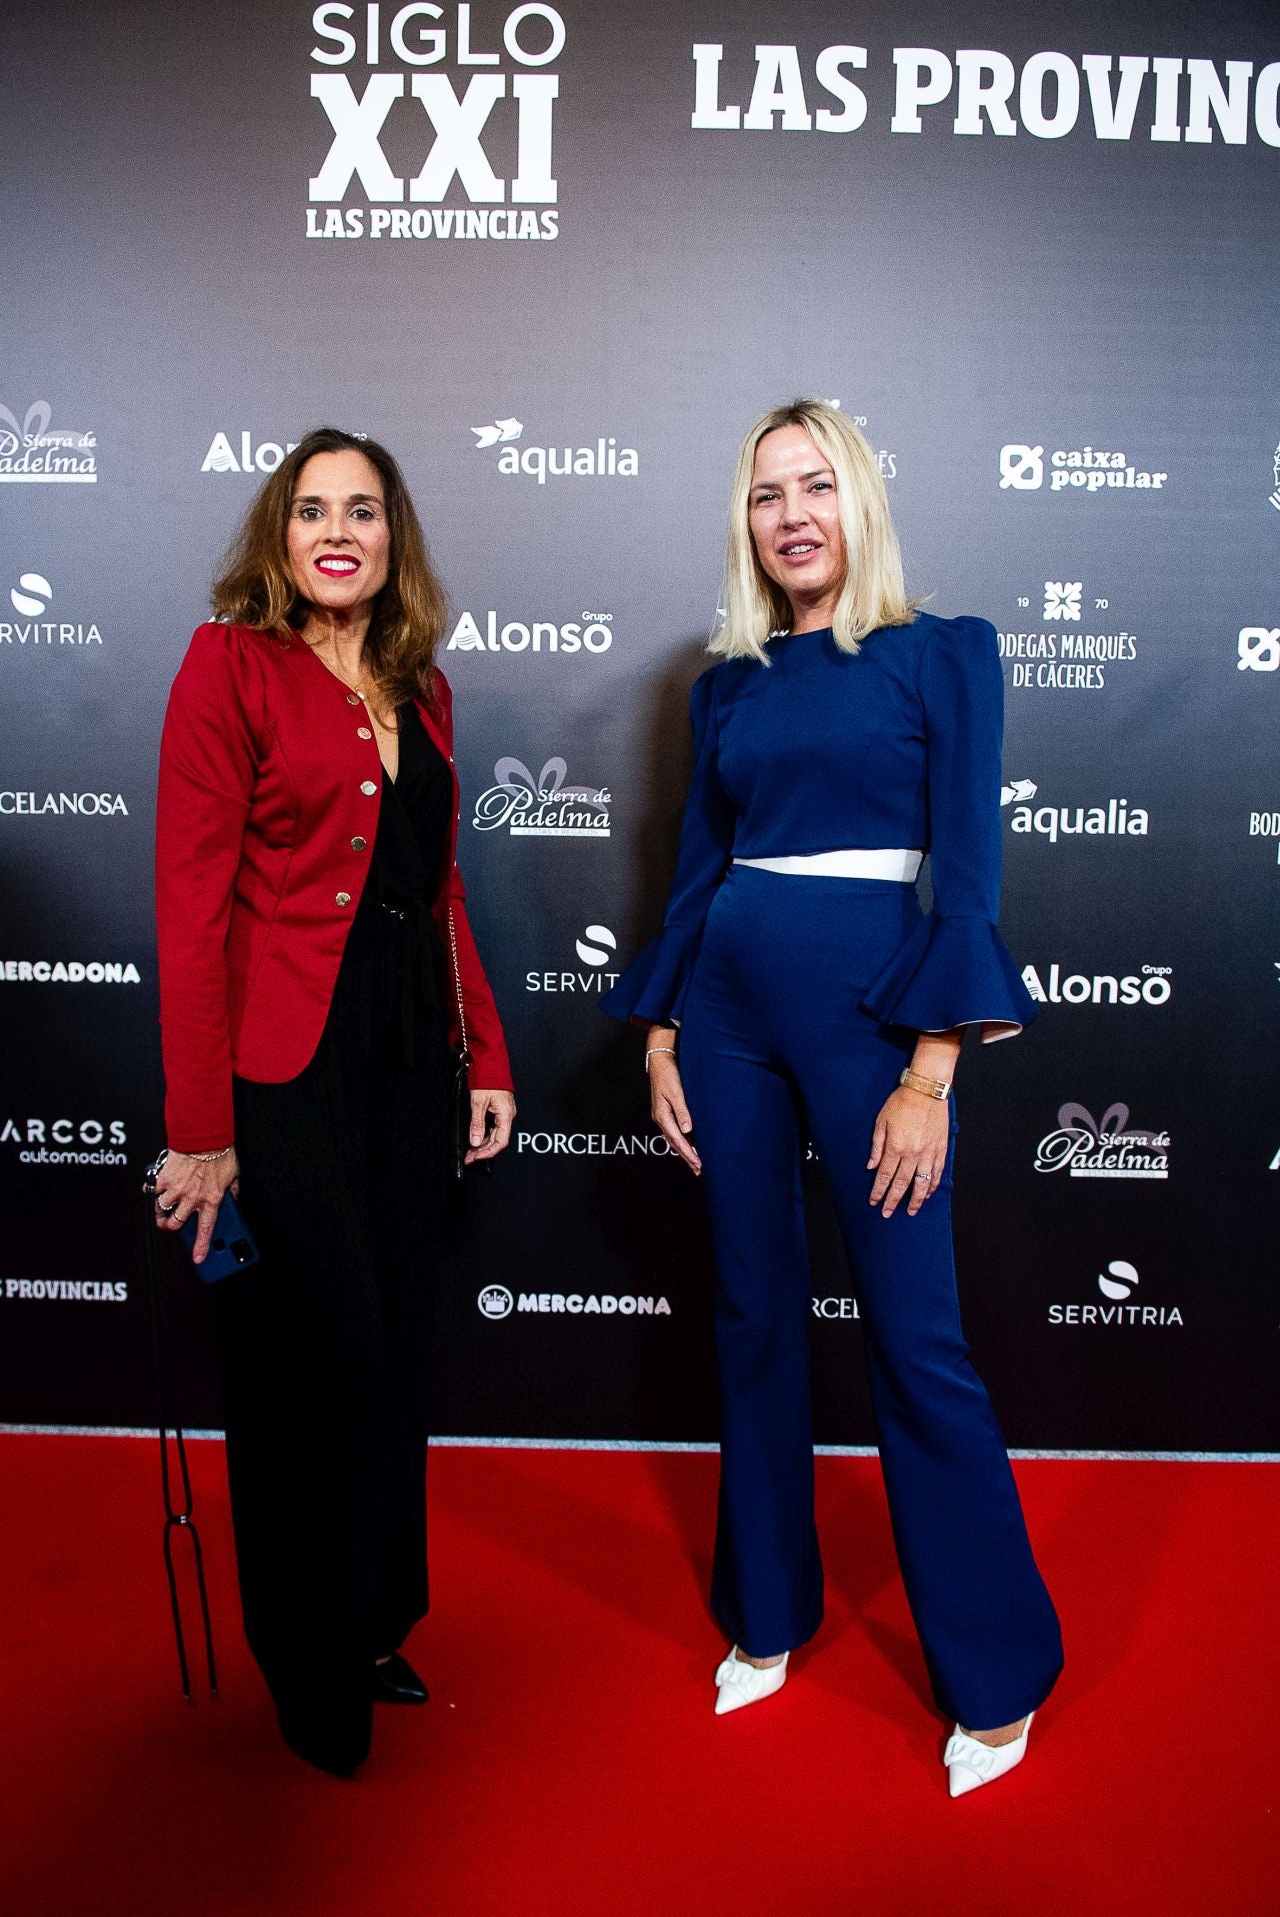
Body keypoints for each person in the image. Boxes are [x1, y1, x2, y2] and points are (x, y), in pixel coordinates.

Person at [602, 400, 1061, 1797]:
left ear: (858, 500)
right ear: (744, 523)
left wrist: (935, 1065)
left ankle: (997, 1676)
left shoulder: (946, 653)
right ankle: (770, 1614)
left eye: (815, 487)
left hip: (877, 1014)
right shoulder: (726, 685)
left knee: (917, 1342)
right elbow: (697, 870)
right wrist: (665, 1029)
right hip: (730, 1007)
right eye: (764, 495)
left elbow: (968, 871)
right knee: (751, 1316)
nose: (791, 514)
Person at [153, 427, 515, 1776]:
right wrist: (202, 1127)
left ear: (391, 536)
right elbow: (189, 910)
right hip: (287, 1067)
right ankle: (306, 1663)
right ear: (280, 536)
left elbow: (442, 890)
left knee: (398, 1351)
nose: (337, 530)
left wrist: (484, 1056)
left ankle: (369, 1619)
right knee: (320, 1354)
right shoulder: (228, 665)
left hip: (414, 1056)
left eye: (363, 509)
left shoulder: (424, 686)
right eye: (312, 510)